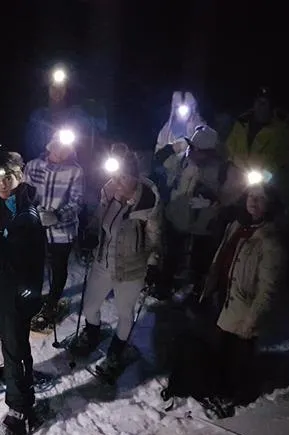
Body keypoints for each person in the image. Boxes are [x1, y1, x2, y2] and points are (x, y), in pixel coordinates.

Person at [162, 180, 286, 419]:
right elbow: (221, 259)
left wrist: (252, 320)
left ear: (270, 204)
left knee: (237, 358)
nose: (253, 201)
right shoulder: (237, 226)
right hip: (224, 299)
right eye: (251, 196)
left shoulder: (270, 241)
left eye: (260, 198)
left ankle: (233, 394)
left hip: (244, 309)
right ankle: (218, 387)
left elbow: (268, 289)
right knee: (219, 351)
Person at [0, 152, 45, 435]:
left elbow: (14, 258)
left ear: (21, 176)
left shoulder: (26, 216)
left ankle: (21, 408)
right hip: (6, 291)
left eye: (8, 178)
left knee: (15, 345)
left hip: (18, 294)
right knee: (9, 340)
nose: (2, 184)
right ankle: (13, 373)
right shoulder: (6, 205)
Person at [74, 144, 163, 378]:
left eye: (123, 177)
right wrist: (90, 234)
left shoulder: (148, 203)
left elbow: (155, 238)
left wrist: (153, 265)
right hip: (103, 263)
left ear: (135, 177)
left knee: (125, 313)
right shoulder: (108, 194)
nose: (117, 181)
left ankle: (116, 351)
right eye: (115, 176)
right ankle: (92, 333)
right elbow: (98, 219)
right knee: (90, 307)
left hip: (131, 269)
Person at [156, 125, 243, 301]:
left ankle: (196, 292)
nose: (191, 151)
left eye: (196, 149)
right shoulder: (183, 160)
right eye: (191, 146)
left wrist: (212, 202)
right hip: (177, 217)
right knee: (171, 255)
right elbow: (159, 161)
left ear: (209, 152)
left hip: (203, 225)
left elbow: (235, 195)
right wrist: (172, 148)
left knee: (200, 260)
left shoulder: (225, 170)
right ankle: (164, 286)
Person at [23, 130, 85, 331]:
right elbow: (25, 194)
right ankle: (33, 298)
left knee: (58, 267)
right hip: (35, 228)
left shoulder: (75, 172)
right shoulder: (33, 166)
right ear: (50, 145)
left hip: (62, 230)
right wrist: (32, 212)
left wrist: (57, 215)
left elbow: (77, 202)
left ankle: (53, 302)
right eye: (58, 145)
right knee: (34, 265)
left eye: (66, 147)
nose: (61, 150)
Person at [224, 87, 289, 175]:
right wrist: (229, 164)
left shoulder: (281, 130)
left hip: (261, 180)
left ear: (271, 107)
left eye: (264, 103)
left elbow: (285, 159)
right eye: (258, 102)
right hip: (237, 173)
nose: (260, 106)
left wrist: (267, 176)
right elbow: (230, 145)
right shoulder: (242, 122)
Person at [152, 91, 207, 203]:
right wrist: (172, 149)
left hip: (192, 177)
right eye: (177, 108)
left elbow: (206, 152)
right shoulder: (166, 131)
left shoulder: (201, 128)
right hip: (168, 176)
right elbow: (157, 157)